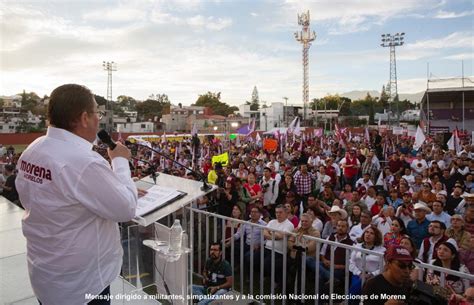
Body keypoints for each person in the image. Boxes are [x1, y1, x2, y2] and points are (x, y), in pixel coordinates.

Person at [15, 84, 139, 305]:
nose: (98, 120)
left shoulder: (33, 149)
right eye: (96, 114)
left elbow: (53, 197)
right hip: (83, 286)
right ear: (84, 118)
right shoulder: (84, 163)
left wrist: (111, 186)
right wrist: (120, 161)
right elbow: (126, 208)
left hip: (47, 275)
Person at [349, 226, 386, 298]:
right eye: (366, 232)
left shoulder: (382, 250)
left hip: (373, 277)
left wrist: (372, 274)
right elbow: (351, 262)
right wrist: (359, 273)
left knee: (363, 284)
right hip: (357, 274)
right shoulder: (357, 246)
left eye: (371, 233)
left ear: (376, 237)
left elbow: (383, 267)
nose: (368, 234)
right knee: (358, 283)